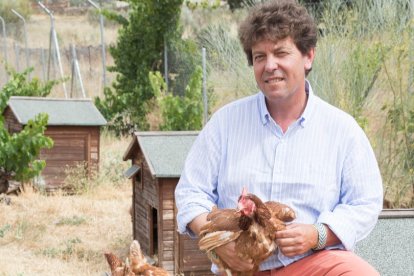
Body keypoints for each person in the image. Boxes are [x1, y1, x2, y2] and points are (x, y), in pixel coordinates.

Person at [175, 0, 383, 275]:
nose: (270, 65)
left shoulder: (342, 130)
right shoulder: (225, 124)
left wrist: (318, 234)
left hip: (313, 263)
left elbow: (364, 202)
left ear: (308, 56)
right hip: (242, 266)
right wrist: (217, 243)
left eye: (281, 53)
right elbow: (191, 192)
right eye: (260, 56)